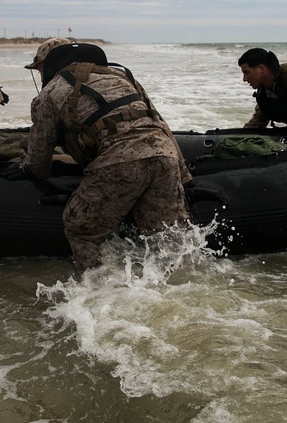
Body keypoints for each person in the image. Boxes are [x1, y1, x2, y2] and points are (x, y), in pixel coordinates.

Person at [12, 38, 191, 275]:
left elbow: (38, 159)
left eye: (40, 68)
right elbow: (158, 122)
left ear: (50, 63)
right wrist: (185, 175)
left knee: (80, 228)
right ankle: (183, 279)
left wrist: (27, 171)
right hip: (164, 155)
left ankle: (97, 289)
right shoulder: (122, 77)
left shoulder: (50, 92)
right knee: (167, 237)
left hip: (121, 161)